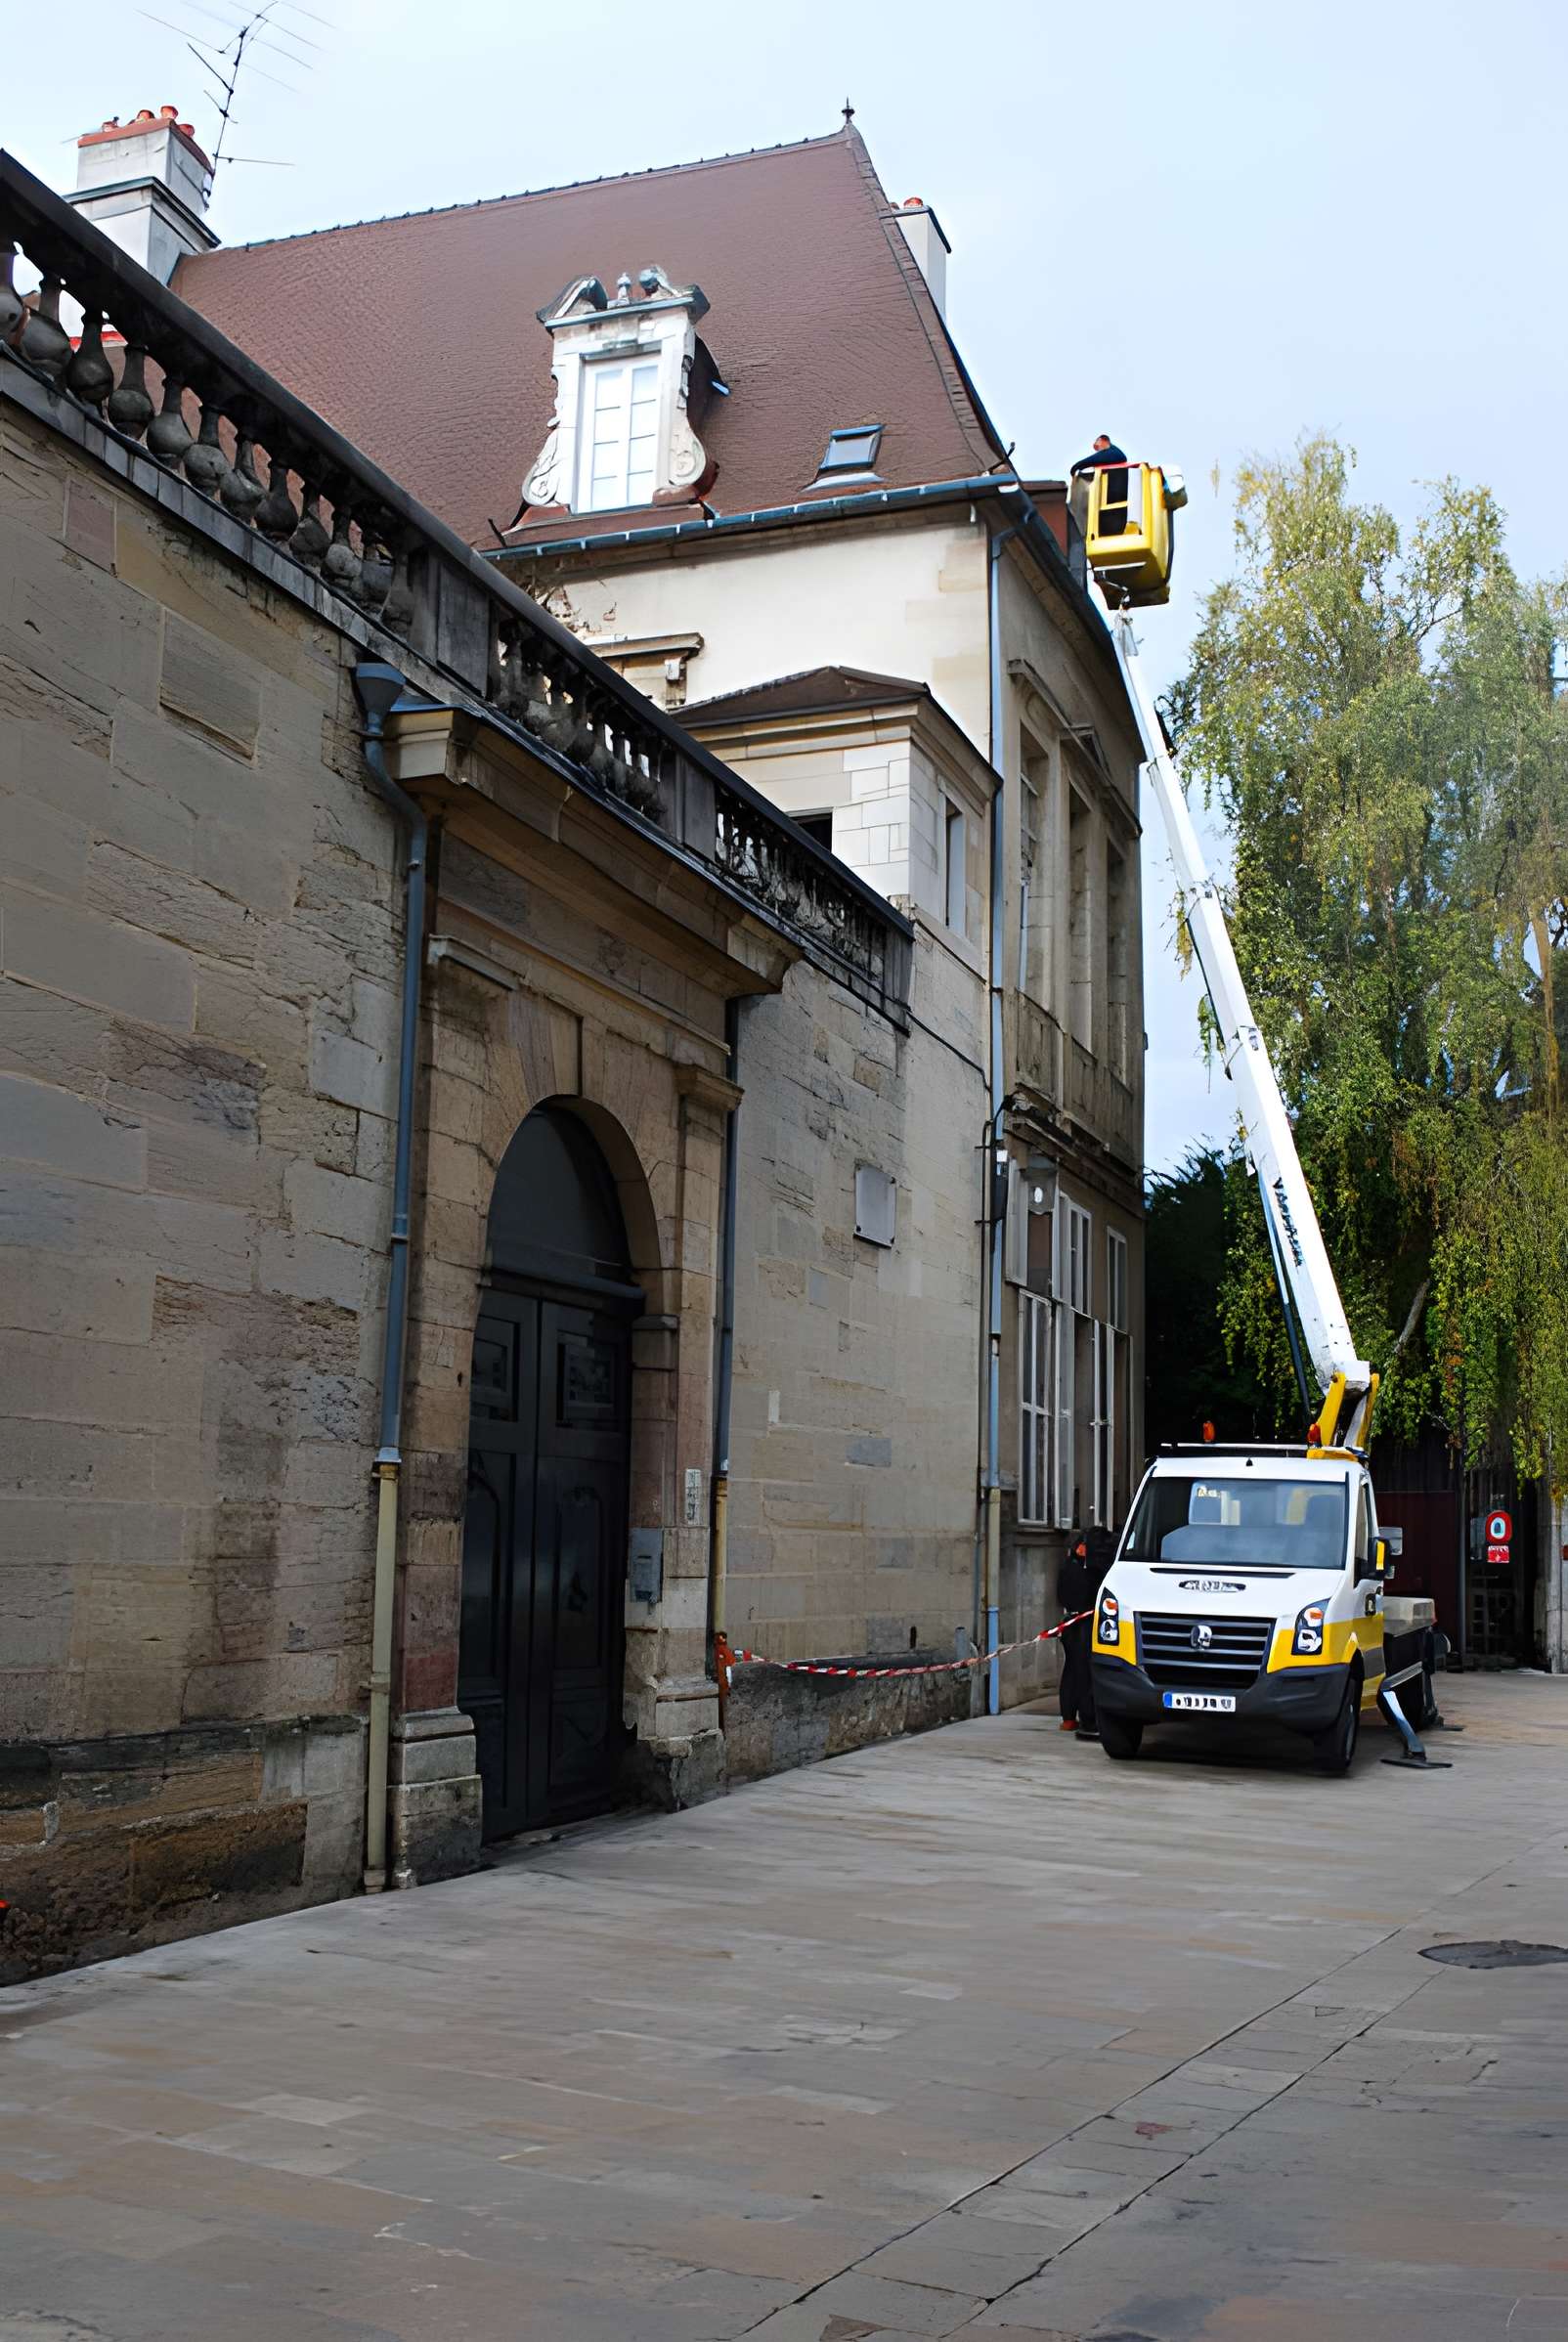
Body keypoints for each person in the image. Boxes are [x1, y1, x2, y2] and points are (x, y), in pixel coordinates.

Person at [1057, 1535, 1099, 1739]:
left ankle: (1068, 1717)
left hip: (1070, 1624)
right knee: (1081, 1671)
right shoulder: (1082, 1571)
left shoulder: (1068, 1567)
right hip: (1081, 1625)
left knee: (1072, 1669)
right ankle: (1087, 1718)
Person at [1069, 433, 1130, 539]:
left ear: (1104, 441)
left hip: (1116, 495)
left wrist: (1077, 466)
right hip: (1109, 500)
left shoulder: (1115, 453)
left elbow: (1098, 458)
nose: (1097, 451)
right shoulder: (1108, 458)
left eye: (1097, 446)